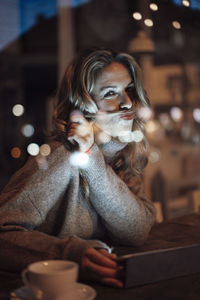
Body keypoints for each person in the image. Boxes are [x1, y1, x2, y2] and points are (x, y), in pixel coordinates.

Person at [0, 47, 155, 288]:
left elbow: (137, 231)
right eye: (110, 93)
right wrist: (68, 254)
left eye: (129, 90)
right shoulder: (62, 158)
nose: (127, 103)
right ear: (84, 106)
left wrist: (93, 158)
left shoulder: (122, 158)